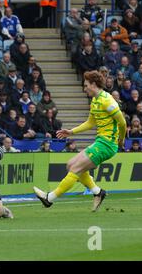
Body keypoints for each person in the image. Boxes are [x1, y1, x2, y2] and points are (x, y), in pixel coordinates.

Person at [33, 71, 127, 211]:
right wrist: (71, 131)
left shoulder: (107, 101)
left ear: (94, 85)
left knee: (76, 169)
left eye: (86, 85)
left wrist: (121, 140)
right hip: (100, 142)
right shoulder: (95, 100)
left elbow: (123, 123)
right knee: (70, 164)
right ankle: (97, 192)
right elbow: (90, 122)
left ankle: (49, 198)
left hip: (107, 145)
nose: (84, 89)